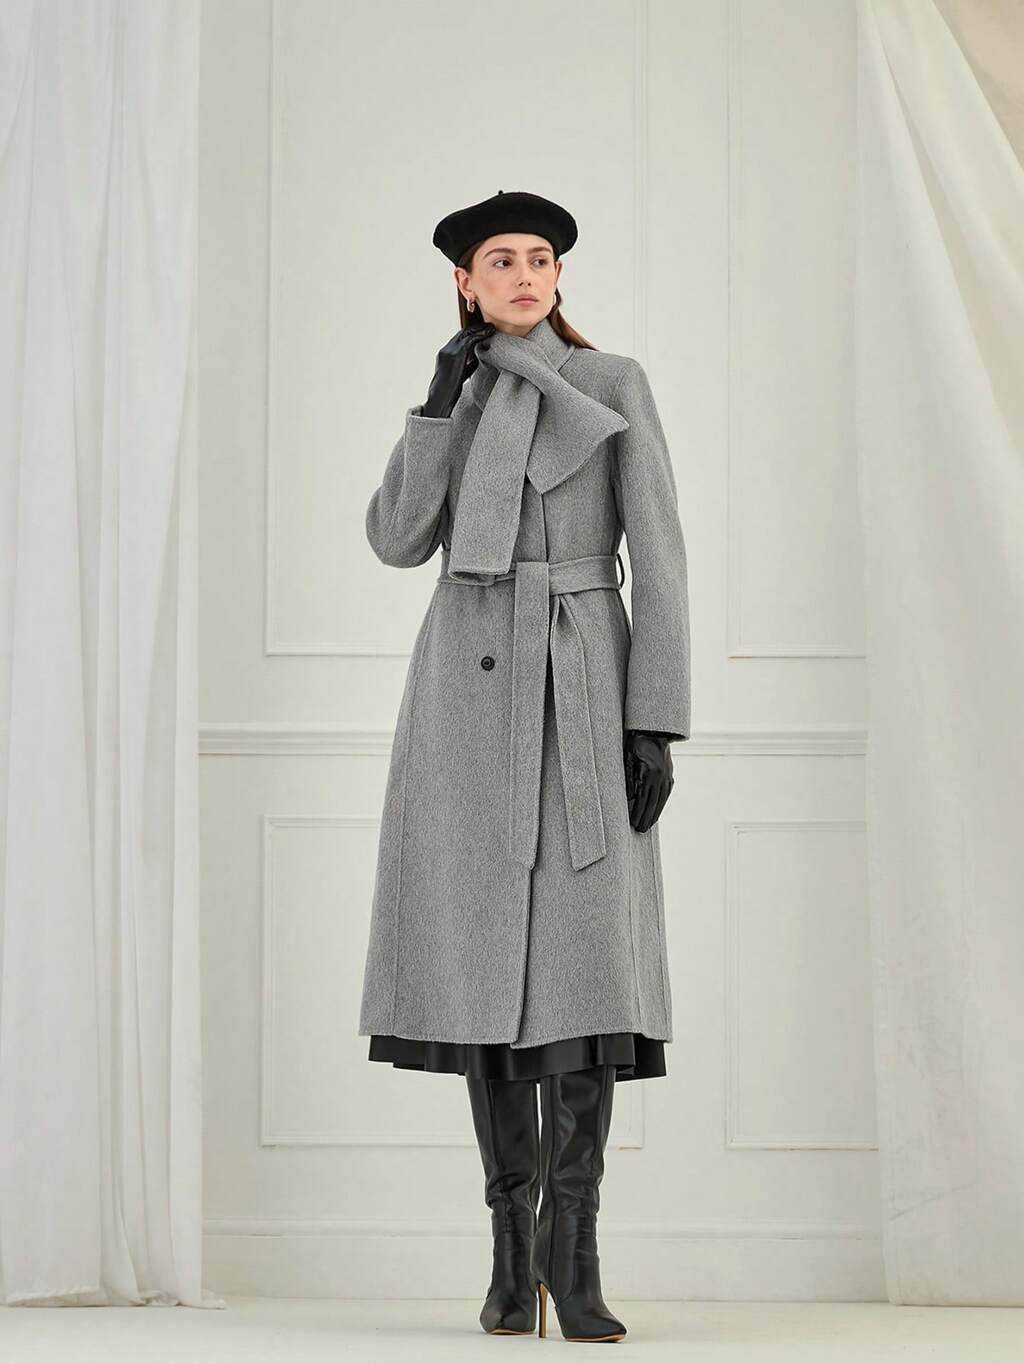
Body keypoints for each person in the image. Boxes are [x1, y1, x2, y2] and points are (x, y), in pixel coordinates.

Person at [357, 190, 691, 1341]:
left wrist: (656, 721)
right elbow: (398, 539)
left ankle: (572, 1253)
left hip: (582, 681)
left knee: (588, 977)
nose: (522, 273)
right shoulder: (454, 398)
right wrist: (435, 404)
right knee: (483, 975)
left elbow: (662, 556)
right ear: (464, 281)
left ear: (557, 275)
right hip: (461, 699)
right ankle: (510, 1254)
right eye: (499, 260)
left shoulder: (612, 382)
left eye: (538, 257)